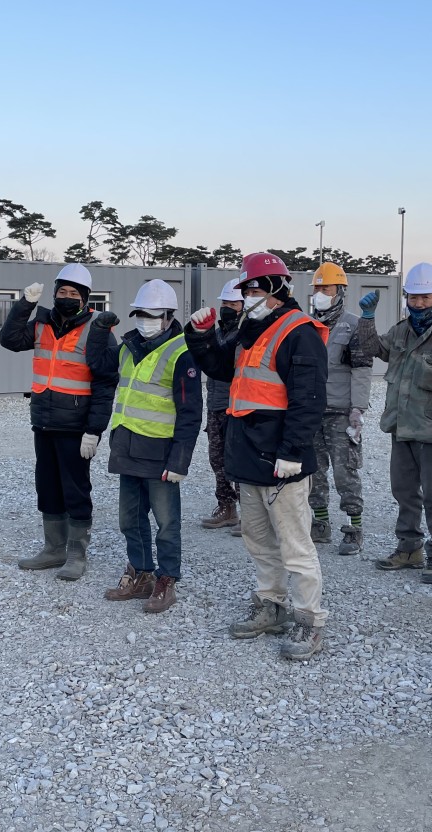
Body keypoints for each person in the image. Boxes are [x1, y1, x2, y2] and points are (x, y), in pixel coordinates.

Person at [184, 252, 329, 660]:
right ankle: (271, 605)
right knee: (260, 540)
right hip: (249, 454)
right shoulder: (253, 328)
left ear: (279, 289)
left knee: (296, 545)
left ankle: (309, 622)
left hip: (282, 460)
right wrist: (201, 336)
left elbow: (309, 400)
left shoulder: (298, 331)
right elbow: (223, 369)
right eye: (246, 288)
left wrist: (293, 452)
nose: (249, 295)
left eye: (256, 288)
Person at [0, 263, 119, 581]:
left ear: (84, 298)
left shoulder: (98, 330)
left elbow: (106, 385)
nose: (66, 297)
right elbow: (10, 339)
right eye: (62, 291)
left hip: (76, 428)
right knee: (48, 487)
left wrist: (95, 430)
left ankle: (77, 554)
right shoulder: (41, 324)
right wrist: (25, 304)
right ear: (54, 295)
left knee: (76, 490)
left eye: (73, 293)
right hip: (43, 422)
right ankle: (54, 549)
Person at [358, 263, 432, 584]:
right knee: (404, 491)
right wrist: (367, 320)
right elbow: (372, 349)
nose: (418, 303)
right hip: (402, 426)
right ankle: (409, 548)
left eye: (425, 297)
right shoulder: (402, 330)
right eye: (413, 297)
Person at [102, 280, 202, 613]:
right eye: (140, 313)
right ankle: (142, 571)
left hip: (161, 455)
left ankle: (167, 578)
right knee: (129, 519)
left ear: (168, 316)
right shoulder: (128, 347)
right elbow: (108, 378)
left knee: (166, 522)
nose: (145, 319)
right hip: (128, 446)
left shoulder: (181, 352)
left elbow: (190, 413)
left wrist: (180, 461)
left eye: (152, 314)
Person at [306, 262, 374, 554]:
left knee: (345, 472)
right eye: (318, 288)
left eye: (327, 287)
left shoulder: (353, 325)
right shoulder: (305, 325)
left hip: (341, 411)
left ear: (340, 291)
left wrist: (358, 408)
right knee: (314, 472)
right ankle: (320, 523)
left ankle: (353, 527)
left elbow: (362, 368)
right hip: (311, 411)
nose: (321, 293)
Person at [200, 278, 243, 533]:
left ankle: (251, 514)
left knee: (239, 460)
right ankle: (227, 508)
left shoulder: (246, 333)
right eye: (225, 302)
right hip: (215, 404)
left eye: (233, 303)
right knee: (217, 459)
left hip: (236, 405)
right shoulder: (218, 332)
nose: (228, 307)